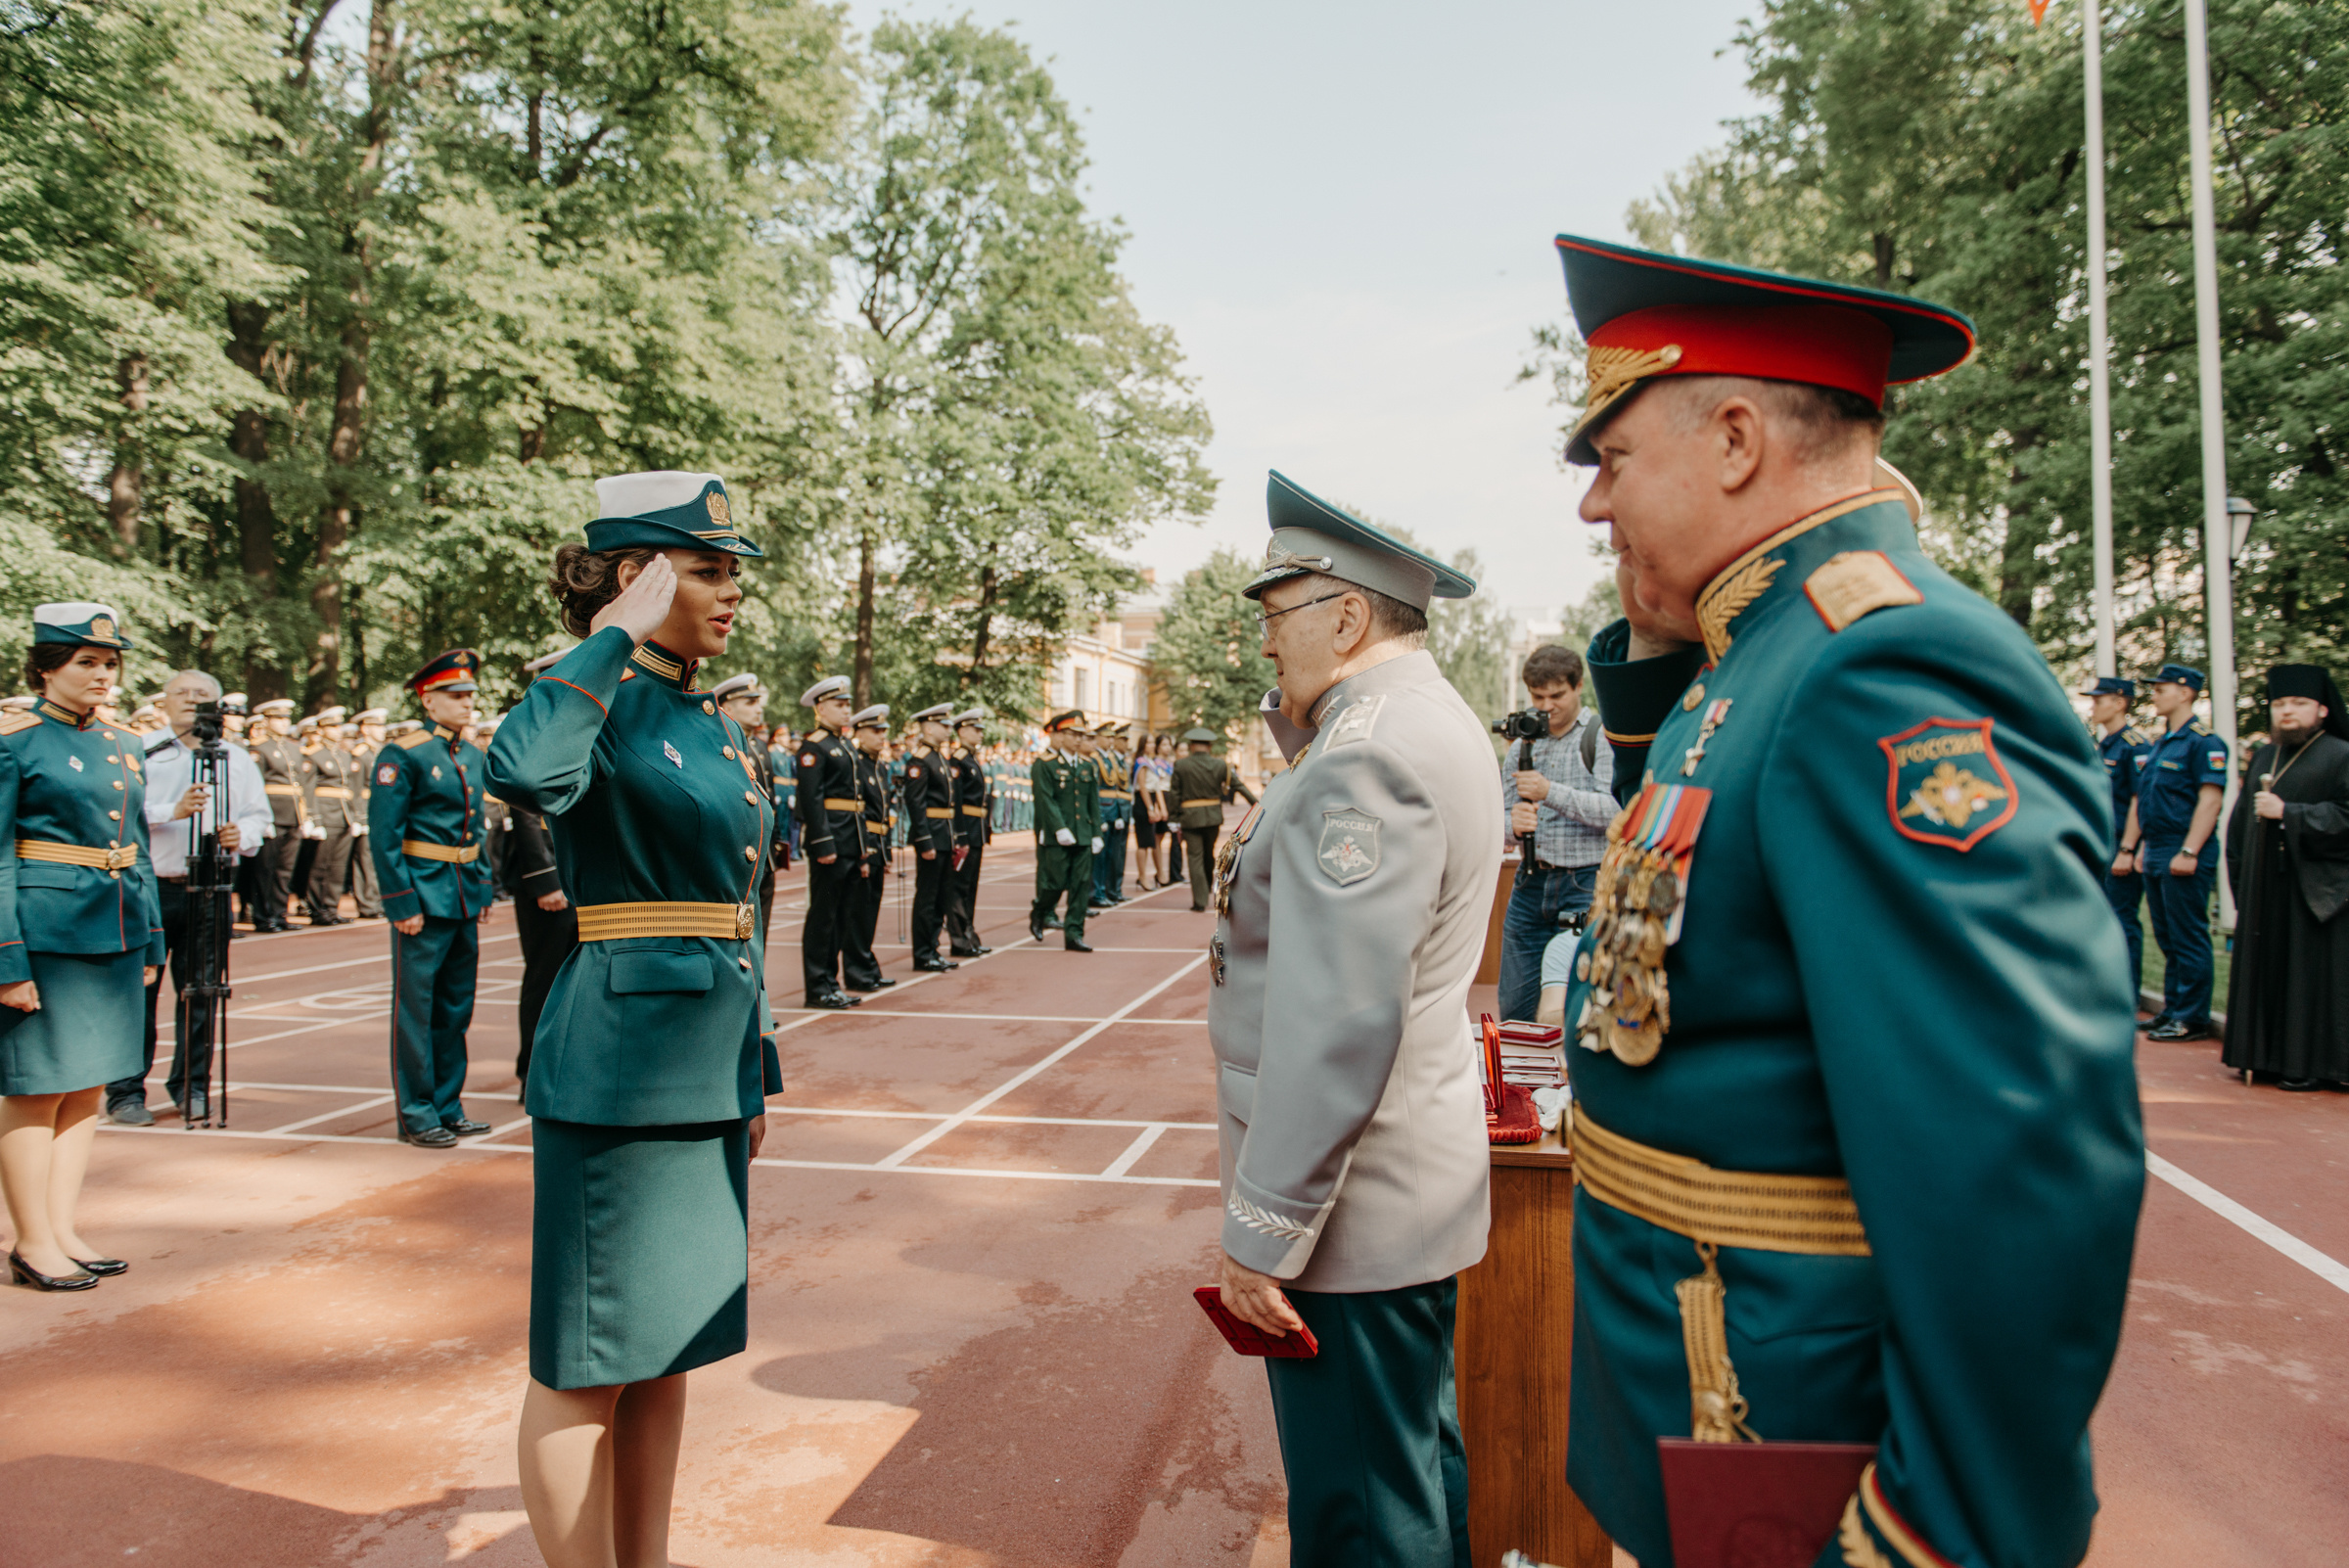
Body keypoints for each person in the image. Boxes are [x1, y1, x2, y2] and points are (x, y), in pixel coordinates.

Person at [1551, 233, 2142, 1568]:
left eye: (1614, 458)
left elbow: (2011, 1155)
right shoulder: (1767, 653)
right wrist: (1657, 652)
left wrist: (1935, 1533)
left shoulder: (1881, 667)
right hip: (1715, 1408)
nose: (1595, 507)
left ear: (1739, 438)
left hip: (1794, 1447)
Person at [485, 468, 783, 1568]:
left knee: (668, 1346)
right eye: (705, 570)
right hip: (619, 1065)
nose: (730, 591)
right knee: (588, 1359)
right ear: (637, 577)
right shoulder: (596, 694)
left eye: (729, 572)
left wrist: (756, 1070)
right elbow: (522, 773)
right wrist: (605, 640)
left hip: (703, 1064)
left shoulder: (704, 722)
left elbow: (739, 913)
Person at [1209, 473, 1497, 1567]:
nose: (1266, 646)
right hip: (1399, 1188)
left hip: (1347, 1209)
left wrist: (1262, 1232)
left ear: (1345, 612)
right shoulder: (1404, 723)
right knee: (1414, 1478)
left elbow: (1337, 1019)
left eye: (1278, 616)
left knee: (1362, 1518)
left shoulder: (1365, 755)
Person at [0, 603, 164, 1290]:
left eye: (109, 663)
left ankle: (62, 1228)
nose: (102, 674)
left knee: (87, 1085)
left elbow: (139, 850)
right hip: (46, 933)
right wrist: (7, 960)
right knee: (36, 1090)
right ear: (46, 670)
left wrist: (154, 935)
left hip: (115, 926)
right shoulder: (16, 743)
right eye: (86, 663)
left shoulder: (125, 745)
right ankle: (31, 1240)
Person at [110, 669, 271, 1126]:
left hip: (212, 885)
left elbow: (260, 818)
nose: (191, 700)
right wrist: (171, 811)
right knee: (138, 992)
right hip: (152, 887)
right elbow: (119, 814)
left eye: (202, 694)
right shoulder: (142, 752)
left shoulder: (235, 758)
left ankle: (192, 1086)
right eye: (182, 692)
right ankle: (124, 1091)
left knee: (201, 992)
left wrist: (243, 833)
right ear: (164, 701)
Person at [369, 648, 496, 1149]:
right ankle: (417, 1112)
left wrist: (483, 884)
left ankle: (448, 1104)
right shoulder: (404, 754)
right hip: (423, 897)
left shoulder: (471, 755)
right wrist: (401, 902)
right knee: (416, 1011)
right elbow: (384, 836)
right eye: (456, 694)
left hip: (462, 895)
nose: (467, 703)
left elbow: (477, 829)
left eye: (470, 694)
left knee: (455, 1008)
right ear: (428, 699)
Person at [2223, 664, 2349, 1089]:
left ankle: (2311, 1066)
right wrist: (2242, 877)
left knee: (2307, 980)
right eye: (2279, 704)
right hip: (2266, 887)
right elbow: (2242, 820)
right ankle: (2263, 1056)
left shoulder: (2341, 754)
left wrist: (2290, 814)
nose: (2287, 712)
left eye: (2298, 703)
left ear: (2323, 710)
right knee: (2269, 971)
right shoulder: (2264, 754)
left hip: (2313, 889)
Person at [1495, 644, 1614, 1024]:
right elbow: (1499, 824)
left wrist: (1550, 793)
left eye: (1557, 695)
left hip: (1586, 884)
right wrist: (1510, 825)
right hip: (1530, 882)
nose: (1546, 706)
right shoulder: (1522, 745)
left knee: (1575, 1009)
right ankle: (1521, 1085)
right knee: (1515, 1007)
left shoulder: (1601, 736)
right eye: (1538, 696)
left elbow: (1616, 813)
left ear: (1578, 687)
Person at [2123, 663, 2231, 1040]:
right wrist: (2141, 846)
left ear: (2185, 692)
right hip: (2156, 848)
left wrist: (2189, 850)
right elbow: (2148, 800)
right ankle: (2172, 1008)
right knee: (2167, 935)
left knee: (2188, 934)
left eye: (2161, 688)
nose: (2154, 694)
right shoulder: (2160, 744)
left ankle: (2191, 1016)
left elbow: (2209, 801)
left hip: (2184, 846)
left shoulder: (2205, 742)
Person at [793, 676, 863, 1010]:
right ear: (820, 708)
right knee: (823, 917)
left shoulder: (845, 745)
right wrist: (822, 843)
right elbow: (811, 799)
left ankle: (831, 982)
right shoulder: (814, 747)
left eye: (848, 704)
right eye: (839, 704)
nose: (846, 709)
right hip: (831, 842)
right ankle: (817, 985)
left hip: (850, 841)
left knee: (840, 917)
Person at [2080, 675, 2153, 994]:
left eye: (2099, 700)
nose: (2092, 706)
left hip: (2121, 844)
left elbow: (2140, 799)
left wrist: (2127, 848)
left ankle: (2127, 993)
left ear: (2120, 703)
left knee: (2122, 921)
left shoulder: (2135, 746)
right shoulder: (2104, 745)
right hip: (2102, 844)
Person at [712, 673, 783, 951]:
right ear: (727, 707)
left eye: (758, 702)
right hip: (736, 856)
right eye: (750, 702)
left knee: (759, 938)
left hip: (764, 856)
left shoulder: (759, 747)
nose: (758, 708)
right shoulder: (720, 744)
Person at [1029, 712, 1099, 951]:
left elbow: (1093, 803)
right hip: (1059, 835)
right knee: (1055, 883)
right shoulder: (1045, 765)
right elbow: (1046, 800)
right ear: (1060, 735)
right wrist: (1059, 828)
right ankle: (1040, 911)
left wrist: (1097, 832)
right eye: (1073, 734)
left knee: (1080, 885)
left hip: (1083, 834)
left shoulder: (1088, 766)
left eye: (1081, 735)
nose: (1078, 739)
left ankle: (1074, 934)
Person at [1170, 727, 1258, 912]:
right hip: (1213, 817)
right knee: (1208, 853)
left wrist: (1173, 817)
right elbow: (1239, 786)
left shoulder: (1181, 765)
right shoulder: (1220, 765)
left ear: (1192, 746)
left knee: (1195, 857)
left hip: (1190, 817)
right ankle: (1207, 883)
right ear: (1209, 746)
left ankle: (1199, 901)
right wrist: (1258, 806)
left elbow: (1174, 794)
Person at [900, 704, 959, 972]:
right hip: (932, 837)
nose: (948, 729)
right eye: (944, 725)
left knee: (941, 897)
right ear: (929, 727)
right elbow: (916, 803)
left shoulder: (938, 757)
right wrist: (924, 839)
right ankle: (923, 953)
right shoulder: (920, 760)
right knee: (927, 897)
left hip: (944, 835)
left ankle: (933, 947)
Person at [842, 704, 896, 994]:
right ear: (859, 732)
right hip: (864, 845)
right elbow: (859, 812)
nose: (881, 736)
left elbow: (883, 815)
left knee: (870, 911)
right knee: (858, 913)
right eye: (875, 731)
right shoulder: (856, 763)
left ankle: (867, 967)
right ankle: (857, 971)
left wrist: (884, 852)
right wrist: (866, 851)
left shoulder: (880, 765)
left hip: (877, 845)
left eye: (883, 731)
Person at [249, 698, 307, 932]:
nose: (284, 723)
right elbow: (255, 785)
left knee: (284, 870)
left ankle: (279, 913)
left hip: (293, 814)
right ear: (267, 720)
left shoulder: (293, 748)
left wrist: (305, 816)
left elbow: (301, 784)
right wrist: (261, 817)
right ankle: (263, 916)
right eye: (278, 719)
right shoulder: (259, 747)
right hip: (271, 813)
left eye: (286, 719)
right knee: (265, 869)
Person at [300, 705, 358, 926]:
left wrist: (354, 817)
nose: (337, 730)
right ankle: (317, 909)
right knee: (321, 865)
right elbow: (309, 788)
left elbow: (349, 788)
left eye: (338, 725)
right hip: (326, 813)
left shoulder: (343, 754)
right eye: (332, 726)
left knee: (337, 866)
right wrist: (314, 818)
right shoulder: (314, 754)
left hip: (344, 815)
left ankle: (331, 908)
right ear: (322, 729)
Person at [944, 709, 993, 958]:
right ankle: (959, 938)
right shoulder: (959, 760)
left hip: (977, 830)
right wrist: (960, 836)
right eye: (976, 729)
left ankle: (969, 934)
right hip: (966, 831)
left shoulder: (971, 759)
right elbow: (957, 803)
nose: (980, 733)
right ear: (962, 731)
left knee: (970, 886)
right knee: (959, 887)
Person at [348, 708, 387, 919]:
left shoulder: (380, 752)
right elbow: (354, 790)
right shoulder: (360, 754)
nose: (382, 730)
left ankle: (378, 900)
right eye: (377, 726)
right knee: (365, 860)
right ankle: (368, 903)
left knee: (376, 859)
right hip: (365, 812)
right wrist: (359, 817)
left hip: (378, 811)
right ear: (365, 729)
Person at [1091, 725, 1132, 906]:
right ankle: (1098, 892)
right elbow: (1097, 790)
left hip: (1114, 810)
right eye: (1107, 738)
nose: (1110, 741)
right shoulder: (1096, 759)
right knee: (1101, 856)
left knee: (1112, 855)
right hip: (1104, 810)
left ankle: (1108, 891)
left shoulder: (1110, 759)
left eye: (1111, 738)